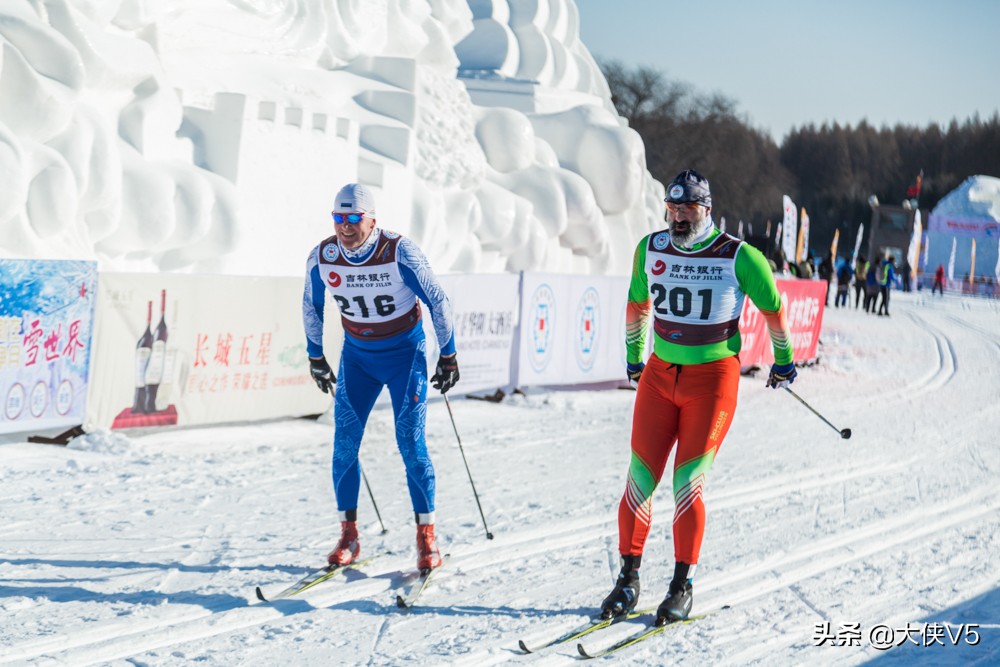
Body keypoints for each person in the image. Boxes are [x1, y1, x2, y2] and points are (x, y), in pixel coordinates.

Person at [600, 169, 796, 626]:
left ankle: (681, 586)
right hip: (660, 376)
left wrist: (783, 362)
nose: (677, 217)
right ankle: (628, 580)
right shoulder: (650, 248)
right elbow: (637, 303)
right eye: (672, 209)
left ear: (707, 209)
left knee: (686, 485)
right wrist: (634, 356)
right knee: (637, 482)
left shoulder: (740, 256)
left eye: (687, 208)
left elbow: (773, 310)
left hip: (712, 381)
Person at [303, 183, 459, 572]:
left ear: (372, 219)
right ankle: (349, 535)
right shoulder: (323, 256)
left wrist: (449, 355)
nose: (346, 227)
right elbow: (311, 303)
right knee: (343, 446)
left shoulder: (399, 251)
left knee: (409, 441)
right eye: (339, 218)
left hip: (405, 355)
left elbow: (438, 299)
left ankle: (427, 537)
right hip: (358, 358)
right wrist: (316, 356)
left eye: (354, 218)